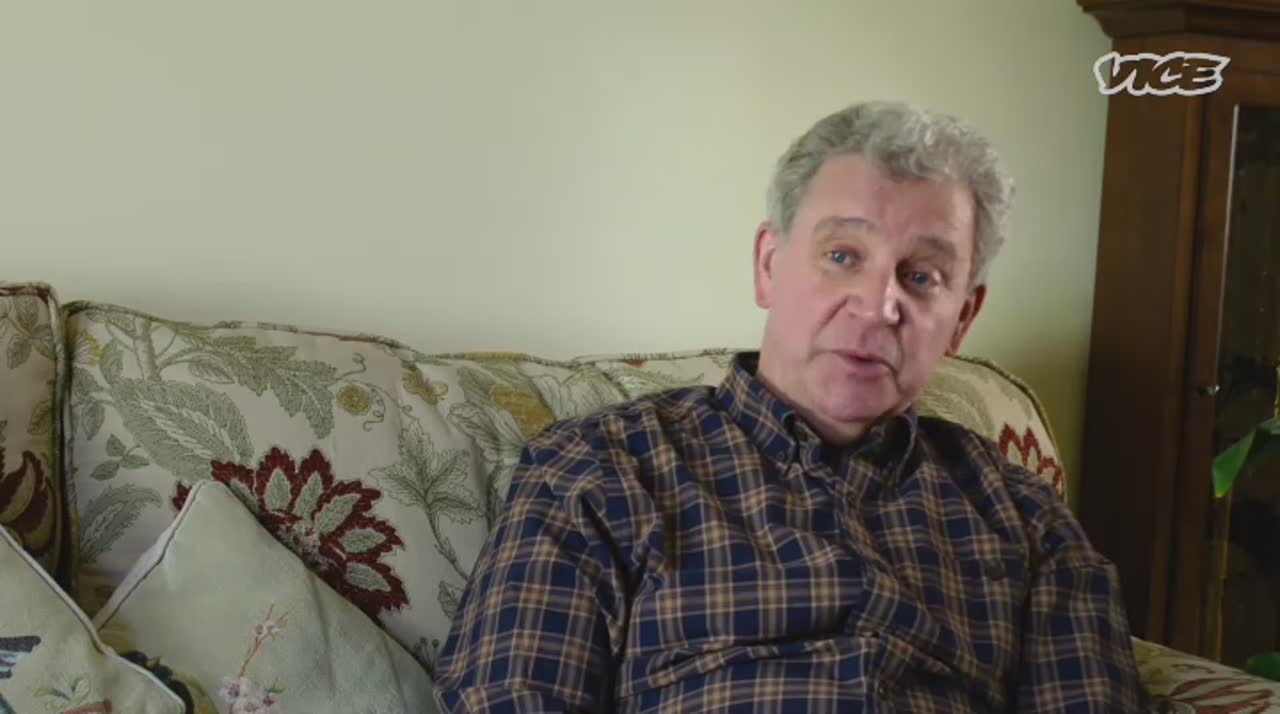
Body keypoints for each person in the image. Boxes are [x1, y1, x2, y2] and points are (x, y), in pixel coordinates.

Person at [432, 101, 1147, 712]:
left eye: (922, 276)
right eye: (843, 256)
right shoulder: (597, 470)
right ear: (769, 265)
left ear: (962, 318)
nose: (878, 305)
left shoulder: (1027, 523)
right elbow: (513, 697)